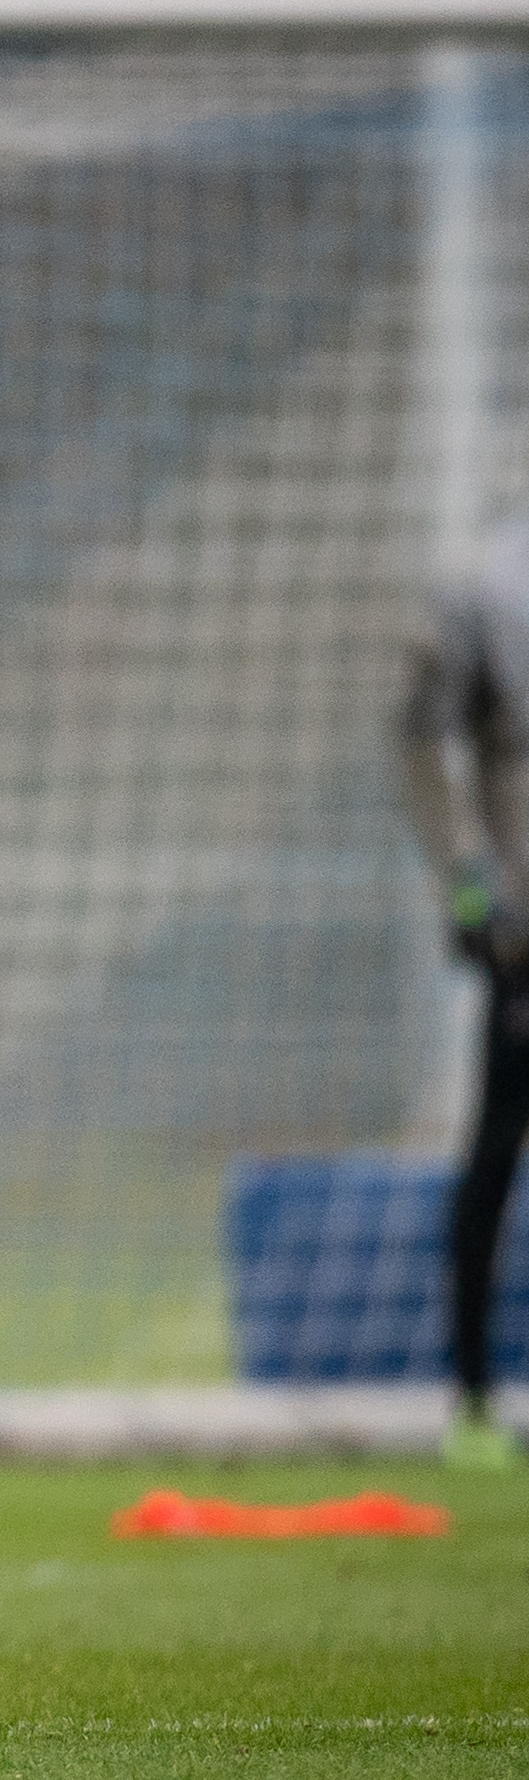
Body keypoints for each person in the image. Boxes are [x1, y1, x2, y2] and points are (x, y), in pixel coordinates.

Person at [397, 532, 529, 1474]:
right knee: (496, 1152)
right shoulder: (489, 590)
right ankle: (474, 1397)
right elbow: (418, 742)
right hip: (528, 934)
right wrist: (467, 886)